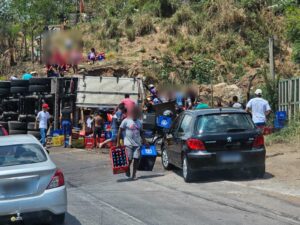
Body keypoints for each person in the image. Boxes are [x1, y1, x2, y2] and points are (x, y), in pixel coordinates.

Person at [117, 107, 147, 180]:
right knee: (129, 159)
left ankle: (134, 174)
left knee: (136, 159)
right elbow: (120, 131)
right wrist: (118, 142)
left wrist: (145, 141)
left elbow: (142, 133)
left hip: (137, 144)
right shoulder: (126, 121)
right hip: (128, 144)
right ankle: (127, 170)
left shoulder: (139, 122)